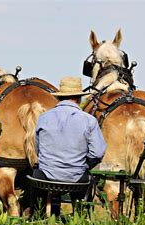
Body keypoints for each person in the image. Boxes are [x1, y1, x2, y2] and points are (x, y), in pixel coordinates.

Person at [31, 76, 107, 217]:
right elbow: (97, 153)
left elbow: (38, 149)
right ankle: (79, 219)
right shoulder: (89, 121)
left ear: (59, 98)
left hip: (45, 178)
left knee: (36, 181)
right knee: (86, 184)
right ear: (78, 99)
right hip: (77, 179)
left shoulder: (43, 118)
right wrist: (85, 164)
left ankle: (37, 219)